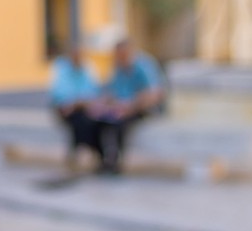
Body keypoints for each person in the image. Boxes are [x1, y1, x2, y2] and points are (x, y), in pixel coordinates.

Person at [96, 40, 166, 172]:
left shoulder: (144, 65)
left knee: (120, 125)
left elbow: (154, 94)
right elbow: (112, 91)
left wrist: (131, 107)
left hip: (141, 108)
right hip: (121, 109)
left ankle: (117, 162)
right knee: (98, 123)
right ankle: (105, 160)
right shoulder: (118, 67)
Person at [48, 42, 103, 168]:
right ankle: (82, 150)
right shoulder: (61, 68)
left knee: (94, 121)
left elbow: (93, 91)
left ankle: (88, 151)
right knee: (79, 119)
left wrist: (81, 102)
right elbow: (59, 94)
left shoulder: (88, 68)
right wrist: (76, 103)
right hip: (66, 108)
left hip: (84, 107)